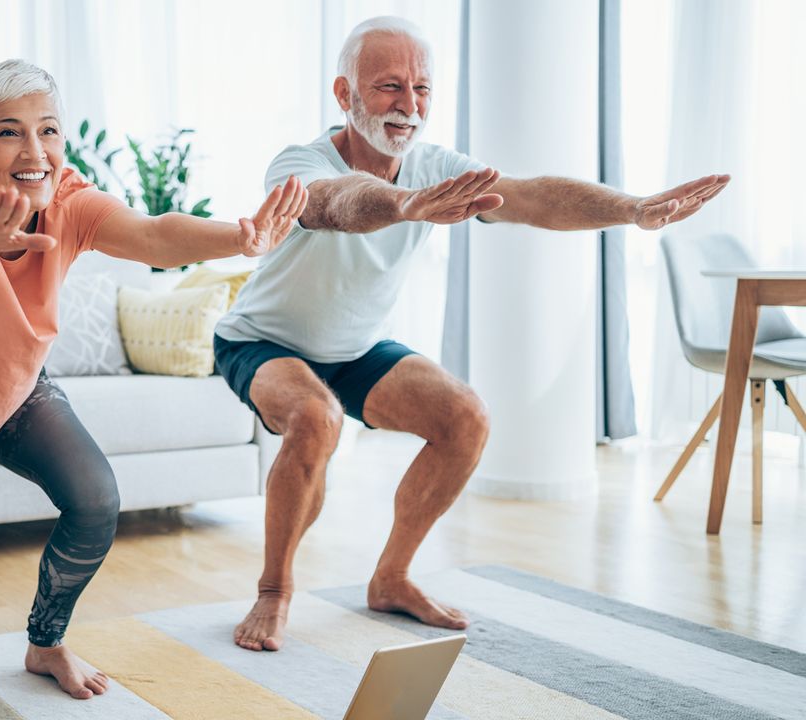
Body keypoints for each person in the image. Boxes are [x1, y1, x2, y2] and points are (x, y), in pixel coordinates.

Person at [213, 16, 729, 652]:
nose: (409, 105)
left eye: (423, 88)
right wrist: (402, 204)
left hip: (355, 347)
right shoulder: (300, 162)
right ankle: (274, 593)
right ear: (344, 95)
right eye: (389, 87)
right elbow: (333, 204)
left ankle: (392, 578)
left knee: (466, 418)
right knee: (316, 418)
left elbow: (532, 197)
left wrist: (633, 210)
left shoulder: (435, 166)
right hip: (262, 340)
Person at [0, 59, 306, 720]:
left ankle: (46, 643)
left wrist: (240, 237)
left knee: (96, 501)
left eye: (49, 130)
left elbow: (152, 233)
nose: (35, 151)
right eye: (9, 133)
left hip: (10, 391)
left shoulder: (68, 201)